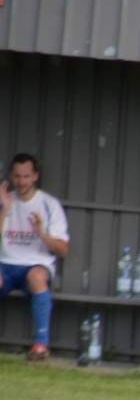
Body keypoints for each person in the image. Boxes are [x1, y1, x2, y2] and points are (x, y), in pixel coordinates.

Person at [1, 153, 71, 362]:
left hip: (35, 264)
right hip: (5, 263)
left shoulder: (50, 205)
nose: (21, 182)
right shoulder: (4, 199)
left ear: (35, 176)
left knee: (37, 277)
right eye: (17, 176)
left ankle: (41, 345)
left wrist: (42, 233)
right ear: (11, 177)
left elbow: (63, 250)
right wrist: (5, 211)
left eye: (26, 176)